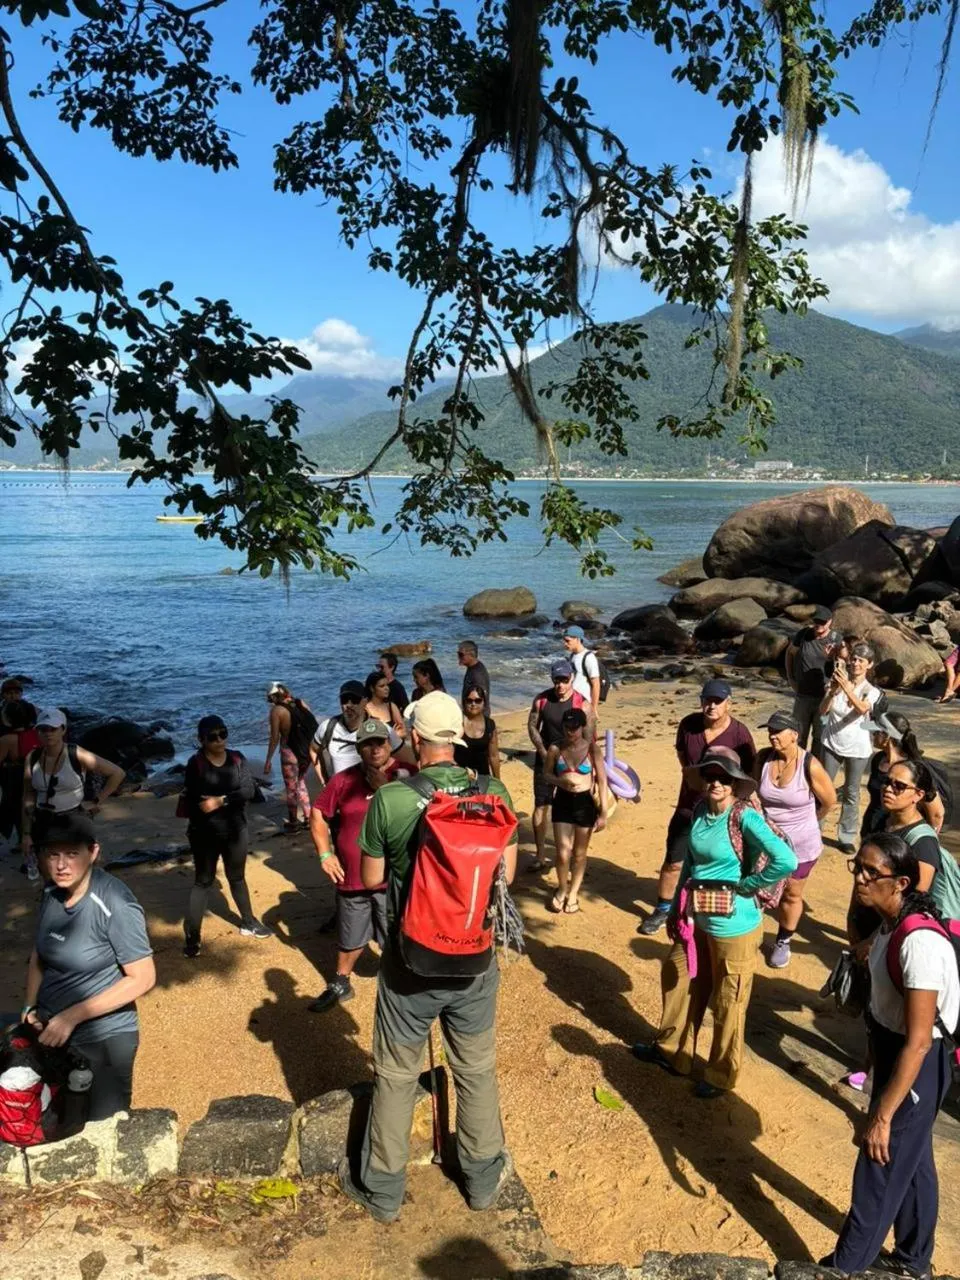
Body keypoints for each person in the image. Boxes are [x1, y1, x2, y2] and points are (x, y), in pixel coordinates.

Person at [338, 691, 517, 1222]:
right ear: (457, 738)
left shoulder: (391, 800)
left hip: (408, 962)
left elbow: (370, 880)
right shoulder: (495, 791)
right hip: (475, 957)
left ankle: (384, 1192)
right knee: (476, 1069)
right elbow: (507, 872)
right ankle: (482, 1182)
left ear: (414, 738)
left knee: (395, 1075)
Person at [823, 831, 958, 1279]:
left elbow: (919, 1039)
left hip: (918, 1062)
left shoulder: (918, 942)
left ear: (900, 883)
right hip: (894, 1052)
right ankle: (913, 1258)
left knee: (878, 1162)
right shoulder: (886, 924)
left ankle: (844, 1268)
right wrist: (871, 1056)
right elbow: (887, 1008)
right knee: (912, 1158)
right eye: (856, 867)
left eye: (870, 872)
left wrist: (881, 1113)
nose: (859, 878)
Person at [632, 746, 796, 1097]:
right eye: (710, 776)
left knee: (729, 1001)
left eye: (724, 778)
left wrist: (748, 886)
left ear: (736, 784)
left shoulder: (745, 817)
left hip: (736, 926)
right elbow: (690, 865)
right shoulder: (700, 813)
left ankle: (720, 1074)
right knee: (678, 980)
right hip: (698, 919)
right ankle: (673, 1052)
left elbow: (786, 860)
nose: (716, 783)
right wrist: (677, 907)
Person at [22, 810, 156, 1120]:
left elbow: (143, 978)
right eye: (52, 854)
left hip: (104, 1038)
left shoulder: (116, 904)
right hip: (53, 1032)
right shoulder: (51, 892)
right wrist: (29, 1007)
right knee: (58, 1120)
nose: (61, 865)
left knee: (103, 1129)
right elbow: (39, 955)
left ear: (93, 852)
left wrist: (71, 1016)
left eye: (72, 854)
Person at [308, 719, 414, 1012]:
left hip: (391, 878)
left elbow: (425, 810)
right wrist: (325, 854)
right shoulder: (343, 781)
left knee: (397, 932)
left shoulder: (407, 775)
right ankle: (341, 981)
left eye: (380, 741)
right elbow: (318, 814)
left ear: (389, 743)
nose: (375, 748)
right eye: (367, 744)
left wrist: (388, 788)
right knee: (349, 934)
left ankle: (407, 981)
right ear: (359, 749)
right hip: (352, 877)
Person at [639, 679, 755, 936]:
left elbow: (747, 773)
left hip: (722, 813)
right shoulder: (688, 726)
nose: (711, 706)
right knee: (673, 861)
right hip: (688, 806)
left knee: (720, 861)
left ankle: (715, 910)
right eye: (707, 700)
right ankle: (662, 908)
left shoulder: (740, 734)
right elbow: (683, 756)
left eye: (718, 701)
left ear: (729, 703)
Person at [181, 714, 269, 957]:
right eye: (212, 737)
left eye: (223, 734)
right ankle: (193, 936)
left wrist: (221, 799)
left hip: (236, 829)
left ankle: (249, 922)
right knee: (203, 882)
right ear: (201, 740)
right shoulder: (195, 763)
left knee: (237, 877)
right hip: (204, 833)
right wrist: (231, 796)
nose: (219, 740)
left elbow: (249, 790)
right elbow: (197, 799)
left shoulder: (237, 758)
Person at [755, 710, 837, 969]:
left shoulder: (809, 764)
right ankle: (751, 933)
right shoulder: (763, 758)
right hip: (767, 841)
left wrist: (808, 822)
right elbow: (750, 790)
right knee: (757, 888)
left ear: (795, 735)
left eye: (778, 731)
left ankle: (783, 940)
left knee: (792, 892)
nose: (772, 736)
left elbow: (829, 802)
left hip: (802, 843)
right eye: (770, 731)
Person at [21, 708, 125, 883]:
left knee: (84, 873)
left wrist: (96, 800)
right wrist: (25, 833)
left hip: (74, 820)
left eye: (53, 729)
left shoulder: (76, 754)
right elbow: (27, 796)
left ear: (63, 730)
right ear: (37, 732)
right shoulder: (33, 758)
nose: (48, 734)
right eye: (43, 729)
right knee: (50, 875)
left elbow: (117, 773)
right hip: (43, 821)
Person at [527, 660, 591, 873]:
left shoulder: (581, 703)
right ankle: (540, 855)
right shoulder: (542, 700)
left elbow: (589, 737)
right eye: (557, 680)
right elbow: (532, 726)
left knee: (572, 807)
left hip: (572, 763)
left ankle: (570, 853)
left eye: (564, 680)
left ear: (572, 677)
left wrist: (589, 768)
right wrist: (543, 752)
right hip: (545, 759)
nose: (560, 685)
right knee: (540, 805)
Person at [819, 640, 883, 853]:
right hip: (831, 743)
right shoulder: (836, 681)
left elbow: (862, 708)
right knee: (823, 787)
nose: (855, 663)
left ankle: (846, 836)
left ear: (869, 665)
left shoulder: (872, 690)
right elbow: (822, 711)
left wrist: (846, 688)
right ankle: (814, 827)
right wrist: (831, 691)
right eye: (853, 659)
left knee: (851, 792)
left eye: (860, 660)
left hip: (858, 747)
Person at [544, 707, 608, 914]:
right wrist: (559, 781)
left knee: (579, 854)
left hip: (584, 803)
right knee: (563, 853)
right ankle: (562, 888)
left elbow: (603, 779)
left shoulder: (592, 749)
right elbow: (546, 775)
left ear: (582, 727)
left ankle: (573, 893)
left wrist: (604, 812)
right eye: (567, 727)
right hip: (562, 801)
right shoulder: (555, 749)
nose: (570, 732)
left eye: (574, 728)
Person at [861, 712, 945, 837]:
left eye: (876, 732)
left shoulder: (914, 768)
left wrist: (928, 839)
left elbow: (937, 812)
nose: (873, 734)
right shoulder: (878, 759)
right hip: (872, 829)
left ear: (887, 736)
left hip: (899, 835)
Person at [264, 682, 318, 834]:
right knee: (301, 783)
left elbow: (274, 738)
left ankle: (293, 823)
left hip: (289, 753)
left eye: (269, 698)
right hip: (306, 752)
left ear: (273, 697)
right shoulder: (301, 703)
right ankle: (308, 818)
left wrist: (268, 760)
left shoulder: (277, 711)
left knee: (291, 789)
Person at [785, 605, 836, 752]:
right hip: (803, 695)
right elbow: (790, 653)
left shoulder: (836, 639)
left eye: (823, 622)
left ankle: (813, 770)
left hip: (824, 698)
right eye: (816, 621)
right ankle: (796, 769)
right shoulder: (803, 635)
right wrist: (790, 678)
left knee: (820, 738)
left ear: (830, 622)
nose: (818, 625)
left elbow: (843, 666)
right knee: (797, 735)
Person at [0, 699, 39, 849]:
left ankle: (22, 840)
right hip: (38, 776)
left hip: (16, 779)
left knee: (16, 810)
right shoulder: (38, 734)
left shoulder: (7, 740)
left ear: (7, 720)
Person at [312, 681, 370, 782]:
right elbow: (313, 750)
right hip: (339, 795)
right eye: (344, 700)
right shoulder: (327, 727)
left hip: (368, 794)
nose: (349, 705)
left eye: (355, 700)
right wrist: (324, 780)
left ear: (365, 701)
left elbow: (401, 761)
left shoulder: (378, 728)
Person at [455, 685, 500, 778]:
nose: (473, 704)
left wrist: (497, 780)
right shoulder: (457, 722)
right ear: (464, 702)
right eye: (469, 700)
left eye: (478, 700)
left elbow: (494, 756)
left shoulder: (490, 725)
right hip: (460, 777)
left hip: (483, 776)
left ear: (484, 702)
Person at [562, 625, 601, 717]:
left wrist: (593, 708)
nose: (565, 644)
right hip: (572, 701)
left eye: (568, 641)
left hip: (583, 703)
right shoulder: (572, 656)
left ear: (578, 639)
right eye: (564, 641)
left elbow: (596, 684)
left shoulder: (588, 657)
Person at [363, 670, 406, 736]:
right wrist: (393, 734)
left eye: (387, 685)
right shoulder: (365, 709)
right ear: (372, 688)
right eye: (382, 686)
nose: (387, 688)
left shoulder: (391, 706)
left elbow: (403, 731)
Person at [458, 641, 490, 707]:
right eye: (458, 654)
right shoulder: (473, 667)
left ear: (471, 655)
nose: (458, 657)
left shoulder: (477, 675)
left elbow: (480, 702)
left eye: (461, 654)